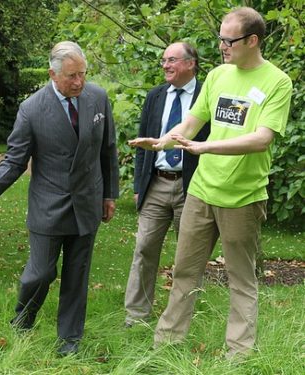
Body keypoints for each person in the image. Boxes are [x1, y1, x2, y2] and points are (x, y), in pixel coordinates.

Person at [129, 7, 292, 360]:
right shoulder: (218, 76)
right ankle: (166, 346)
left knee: (241, 279)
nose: (221, 46)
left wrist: (205, 147)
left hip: (242, 197)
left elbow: (262, 139)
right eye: (220, 38)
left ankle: (239, 354)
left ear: (252, 40)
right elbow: (191, 123)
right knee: (185, 270)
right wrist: (162, 141)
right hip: (202, 191)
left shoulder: (277, 82)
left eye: (227, 39)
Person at [0, 41, 119, 356]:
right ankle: (23, 318)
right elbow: (14, 160)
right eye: (71, 76)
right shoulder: (31, 109)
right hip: (49, 207)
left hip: (88, 203)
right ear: (53, 73)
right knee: (41, 273)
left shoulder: (98, 98)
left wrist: (109, 194)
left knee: (77, 276)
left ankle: (69, 342)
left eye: (82, 75)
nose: (79, 82)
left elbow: (108, 149)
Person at [124, 42, 210, 327]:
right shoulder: (156, 95)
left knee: (188, 255)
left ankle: (179, 317)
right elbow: (142, 142)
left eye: (171, 60)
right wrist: (139, 185)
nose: (165, 65)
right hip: (157, 184)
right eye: (163, 60)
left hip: (193, 186)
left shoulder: (206, 94)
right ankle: (136, 316)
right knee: (145, 247)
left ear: (190, 63)